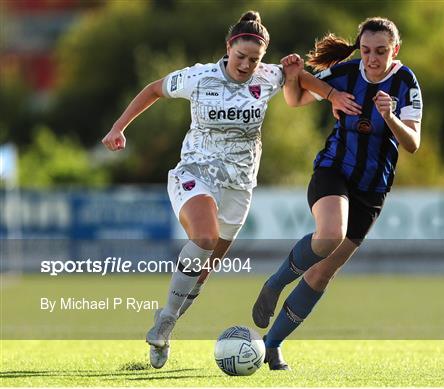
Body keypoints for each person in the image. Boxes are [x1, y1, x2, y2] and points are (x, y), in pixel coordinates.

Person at [102, 11, 359, 369]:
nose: (246, 65)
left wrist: (330, 95)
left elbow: (299, 81)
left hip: (239, 187)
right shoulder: (199, 77)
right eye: (241, 57)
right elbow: (153, 90)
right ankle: (163, 324)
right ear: (228, 48)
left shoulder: (268, 76)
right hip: (195, 174)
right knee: (204, 238)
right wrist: (118, 128)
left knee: (203, 272)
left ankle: (168, 321)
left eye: (254, 59)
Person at [252, 17, 423, 370]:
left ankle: (271, 345)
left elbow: (413, 144)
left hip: (372, 190)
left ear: (396, 50)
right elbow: (296, 98)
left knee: (322, 273)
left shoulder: (406, 82)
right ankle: (275, 283)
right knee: (330, 234)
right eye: (365, 51)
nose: (372, 59)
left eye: (381, 52)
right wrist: (294, 74)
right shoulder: (346, 73)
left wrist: (390, 118)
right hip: (333, 172)